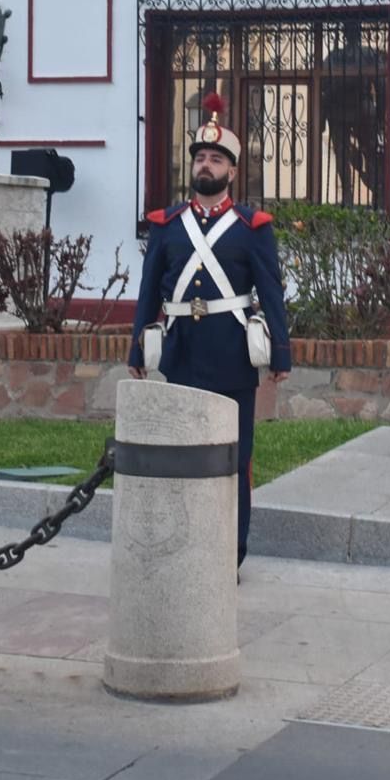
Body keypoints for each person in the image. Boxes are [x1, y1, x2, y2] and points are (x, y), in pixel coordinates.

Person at [128, 93, 292, 570]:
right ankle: (183, 547)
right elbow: (147, 293)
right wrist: (138, 345)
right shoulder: (166, 225)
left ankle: (228, 555)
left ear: (232, 171)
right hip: (180, 353)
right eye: (200, 156)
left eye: (216, 158)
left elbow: (272, 292)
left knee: (232, 460)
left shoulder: (252, 227)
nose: (206, 164)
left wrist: (279, 352)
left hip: (231, 359)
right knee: (180, 454)